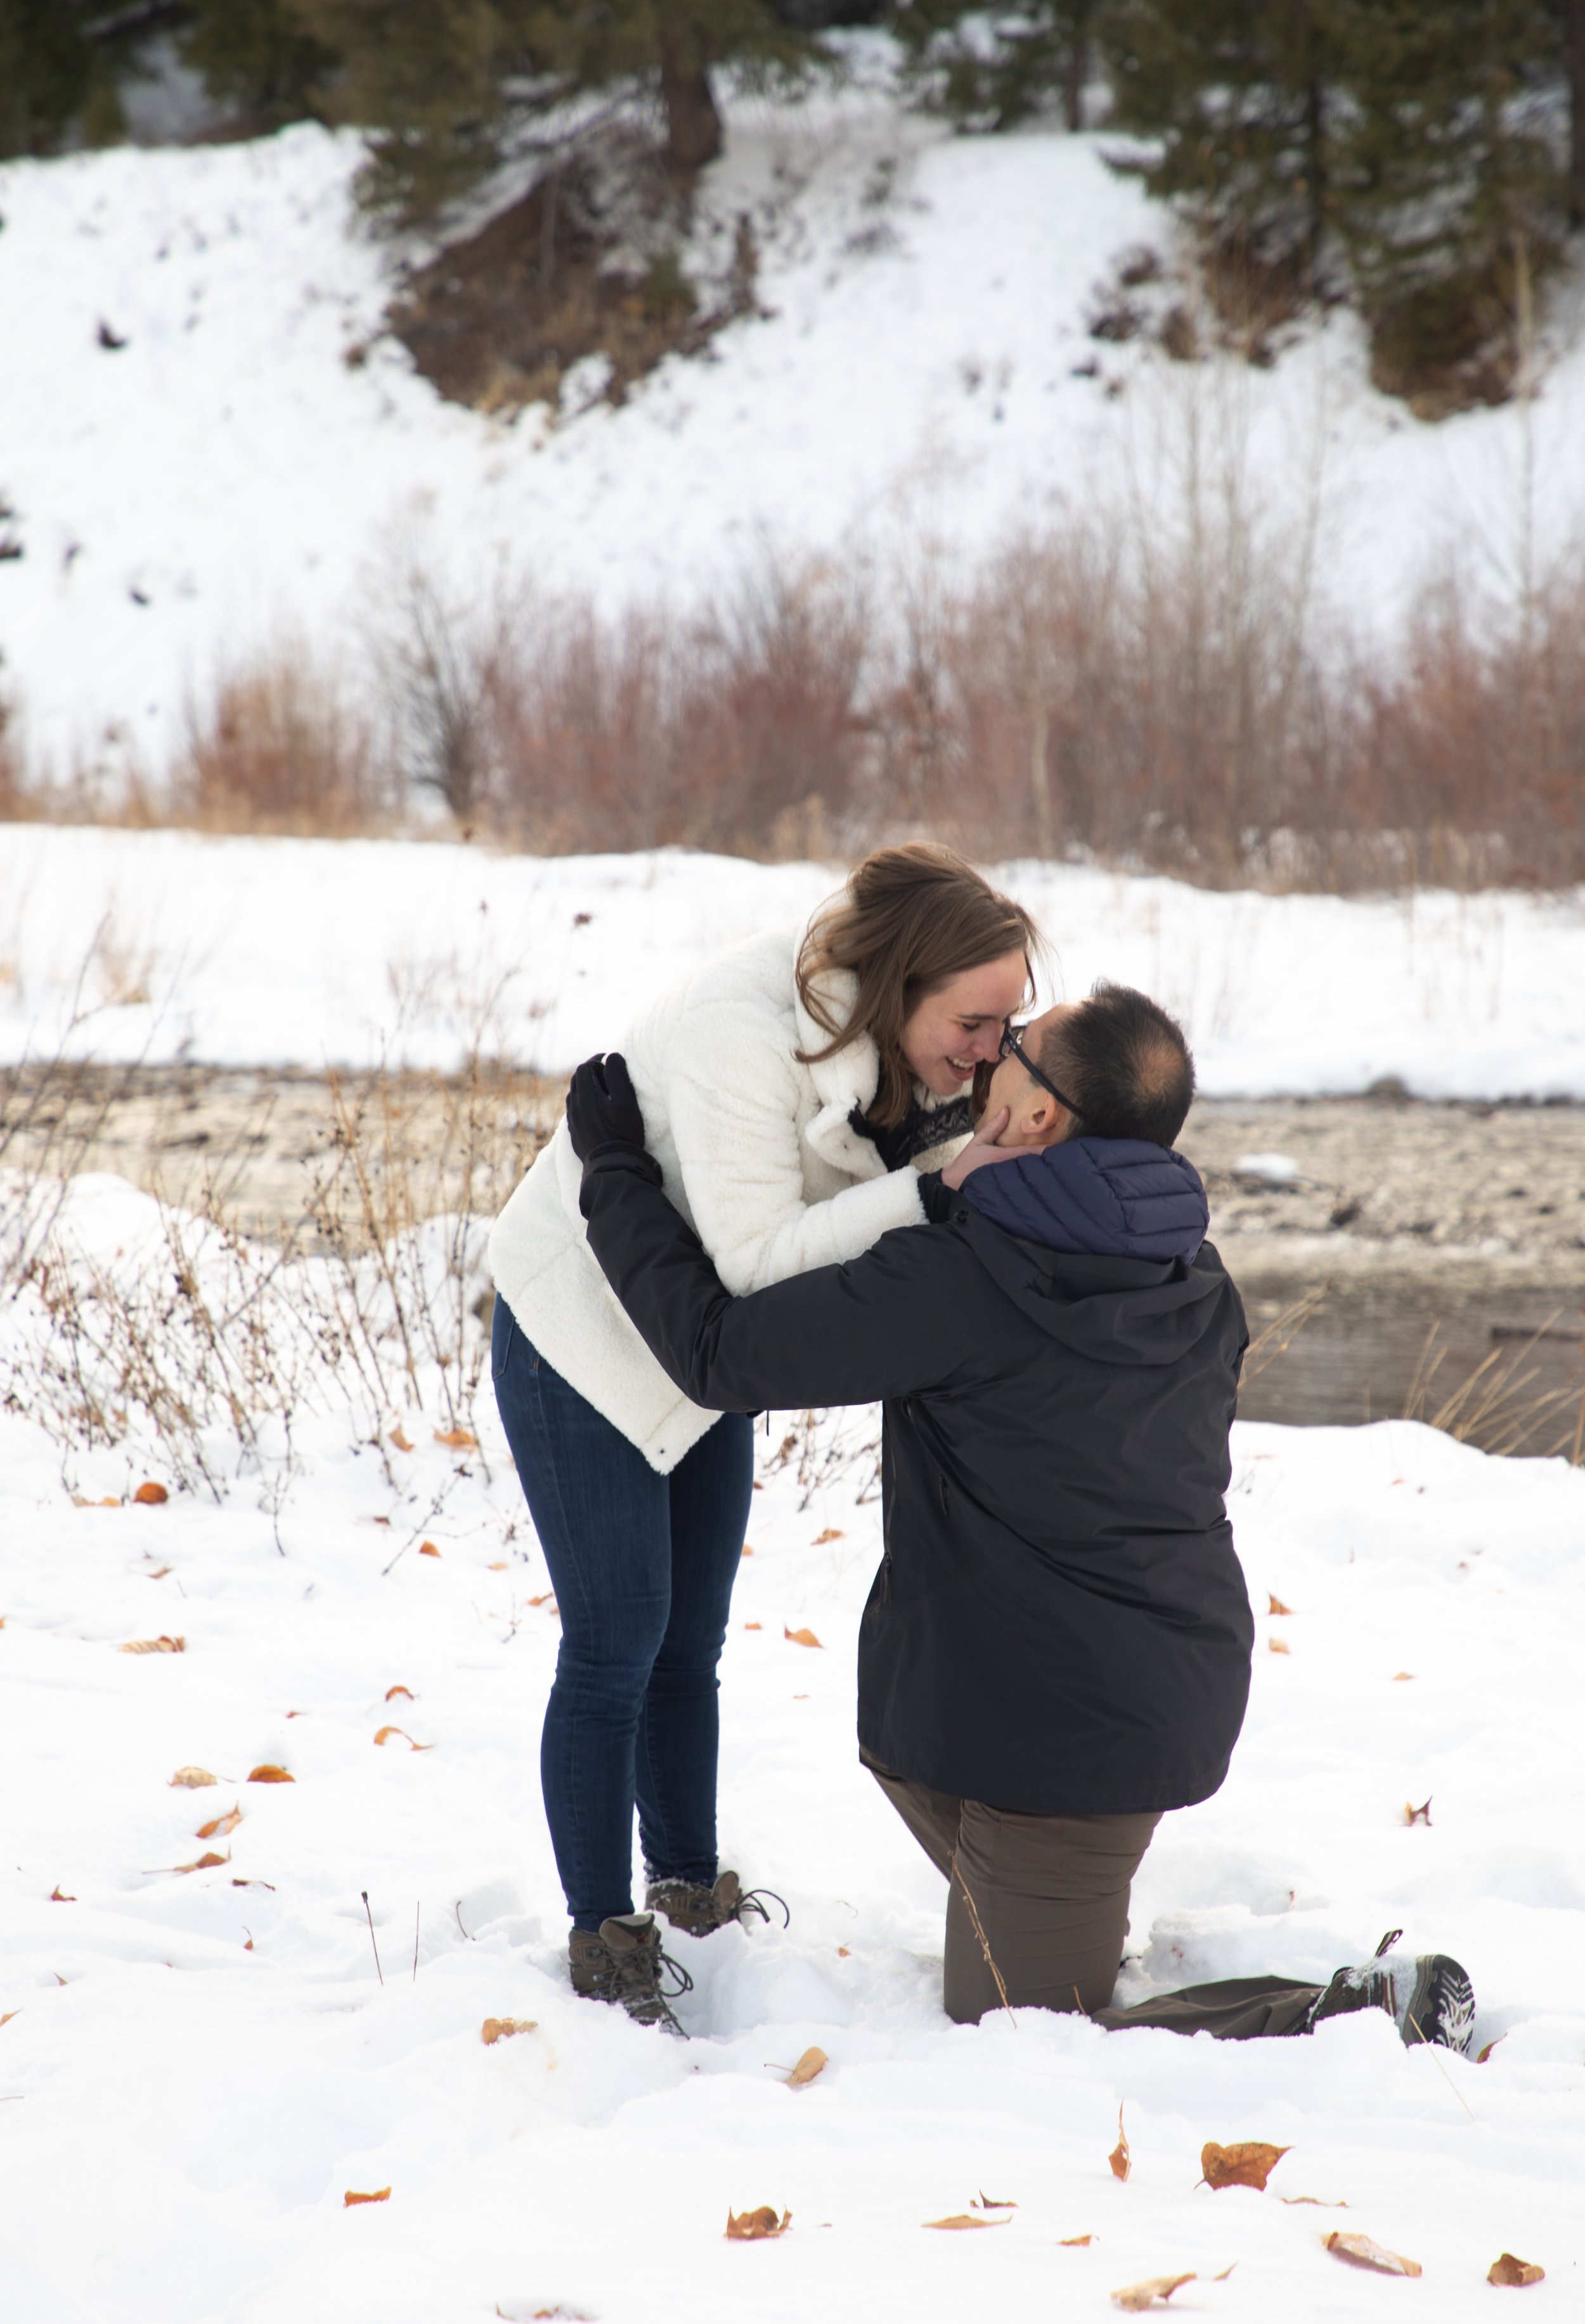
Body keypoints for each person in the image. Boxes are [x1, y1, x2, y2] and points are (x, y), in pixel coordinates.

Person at [562, 983, 1477, 2052]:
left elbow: (720, 1352)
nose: (994, 1049)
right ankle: (1058, 1907)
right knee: (1004, 1898)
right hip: (1076, 1691)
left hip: (1072, 1737)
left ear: (1038, 1116)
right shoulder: (1196, 1273)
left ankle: (1367, 2010)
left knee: (1028, 2026)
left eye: (1019, 1047)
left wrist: (616, 1172)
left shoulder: (968, 1280)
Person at [488, 844, 1038, 2027]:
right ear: (905, 983)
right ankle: (602, 1934)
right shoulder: (749, 1029)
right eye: (977, 1020)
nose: (991, 1047)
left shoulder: (901, 1042)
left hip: (693, 1357)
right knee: (616, 1640)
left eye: (1008, 1024)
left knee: (690, 1644)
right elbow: (750, 1268)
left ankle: (686, 1885)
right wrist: (935, 1193)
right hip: (581, 1334)